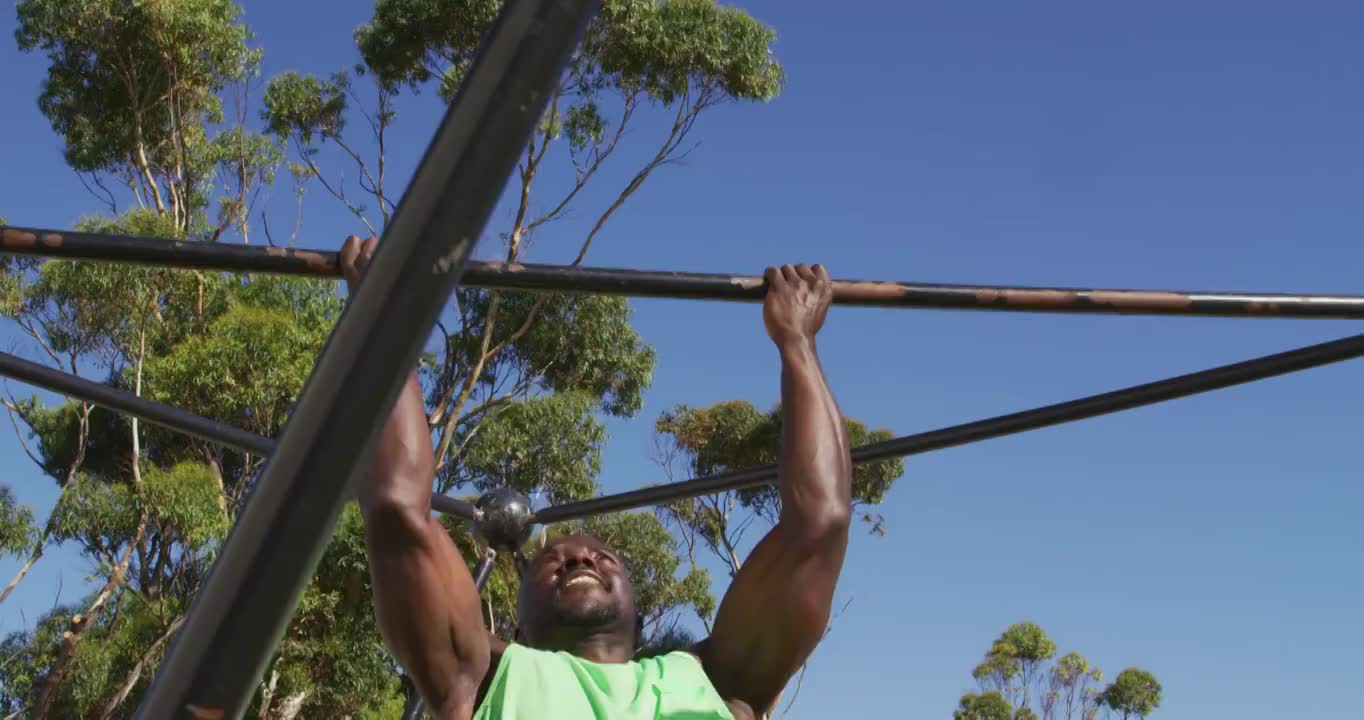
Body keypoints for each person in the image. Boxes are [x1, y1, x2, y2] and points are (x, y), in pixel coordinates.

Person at [342, 235, 854, 720]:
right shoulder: (482, 676)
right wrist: (383, 319)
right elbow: (396, 511)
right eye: (551, 561)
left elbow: (819, 522)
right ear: (517, 628)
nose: (581, 556)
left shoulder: (715, 681)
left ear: (640, 624)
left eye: (602, 557)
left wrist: (797, 341)